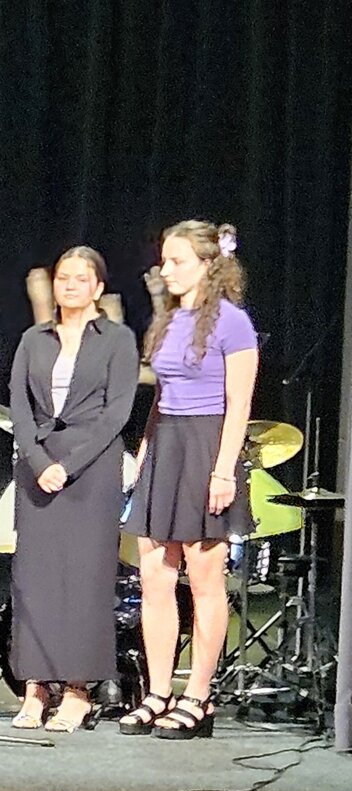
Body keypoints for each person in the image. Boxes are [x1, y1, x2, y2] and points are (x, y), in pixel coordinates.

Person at [119, 221, 257, 740]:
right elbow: (162, 395)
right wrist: (145, 450)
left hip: (207, 447)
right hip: (168, 446)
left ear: (208, 264)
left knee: (204, 581)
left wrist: (223, 470)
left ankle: (198, 696)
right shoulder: (172, 320)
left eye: (177, 261)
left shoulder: (233, 323)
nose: (166, 269)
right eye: (164, 259)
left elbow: (239, 404)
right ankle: (158, 692)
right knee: (155, 577)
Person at [7, 247, 140, 731]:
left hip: (92, 468)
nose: (69, 285)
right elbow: (19, 407)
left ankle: (78, 690)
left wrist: (69, 465)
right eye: (63, 277)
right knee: (35, 579)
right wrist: (41, 462)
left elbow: (117, 412)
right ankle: (35, 687)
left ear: (98, 288)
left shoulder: (118, 339)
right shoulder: (33, 339)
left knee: (85, 580)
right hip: (39, 467)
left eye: (80, 279)